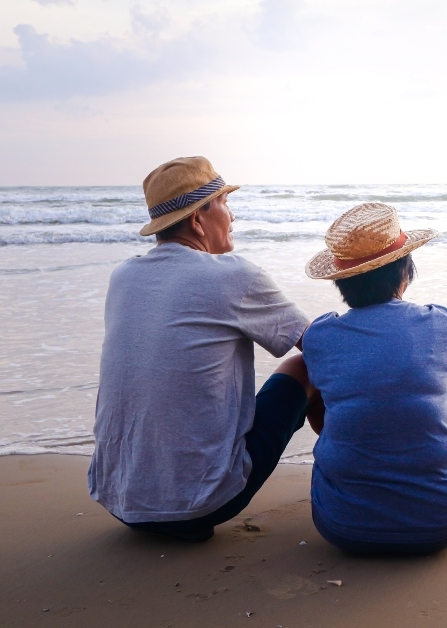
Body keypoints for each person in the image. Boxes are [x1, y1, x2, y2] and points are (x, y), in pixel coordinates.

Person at [88, 156, 318, 543]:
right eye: (226, 203)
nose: (232, 216)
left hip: (120, 499)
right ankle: (358, 477)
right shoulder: (233, 275)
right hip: (200, 504)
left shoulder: (124, 275)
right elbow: (323, 346)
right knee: (306, 366)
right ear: (198, 218)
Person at [302, 202, 447, 555]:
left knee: (322, 376)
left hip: (342, 527)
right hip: (442, 523)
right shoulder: (443, 323)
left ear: (340, 283)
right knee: (446, 379)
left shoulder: (319, 334)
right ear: (405, 272)